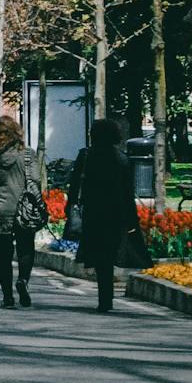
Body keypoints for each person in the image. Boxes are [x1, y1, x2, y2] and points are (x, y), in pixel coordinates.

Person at [0, 115, 39, 308]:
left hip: (0, 208)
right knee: (26, 248)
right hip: (24, 209)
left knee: (3, 254)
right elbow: (36, 180)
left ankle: (7, 297)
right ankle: (23, 281)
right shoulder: (28, 154)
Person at [76, 118, 137, 312]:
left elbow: (75, 185)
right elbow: (128, 191)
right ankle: (106, 297)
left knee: (99, 254)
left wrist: (71, 206)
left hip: (93, 211)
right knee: (109, 253)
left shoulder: (86, 156)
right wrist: (131, 216)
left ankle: (104, 297)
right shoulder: (122, 159)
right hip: (115, 212)